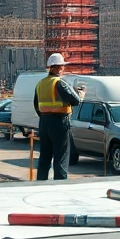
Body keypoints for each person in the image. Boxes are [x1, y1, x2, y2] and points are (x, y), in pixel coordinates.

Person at [33, 52, 84, 181]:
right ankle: (60, 185)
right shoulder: (59, 83)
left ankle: (41, 183)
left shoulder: (40, 84)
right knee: (61, 157)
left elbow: (36, 105)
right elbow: (75, 101)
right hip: (60, 123)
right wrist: (80, 96)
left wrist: (45, 116)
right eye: (62, 67)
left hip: (44, 123)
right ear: (56, 67)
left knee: (44, 157)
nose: (63, 69)